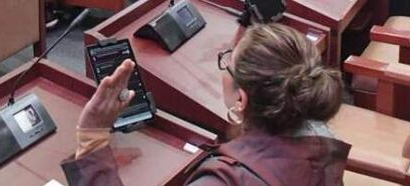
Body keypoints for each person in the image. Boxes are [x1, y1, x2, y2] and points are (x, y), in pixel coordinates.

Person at [62, 23, 348, 185]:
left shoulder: (223, 182)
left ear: (241, 99)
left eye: (228, 64)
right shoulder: (320, 137)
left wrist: (92, 136)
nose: (222, 69)